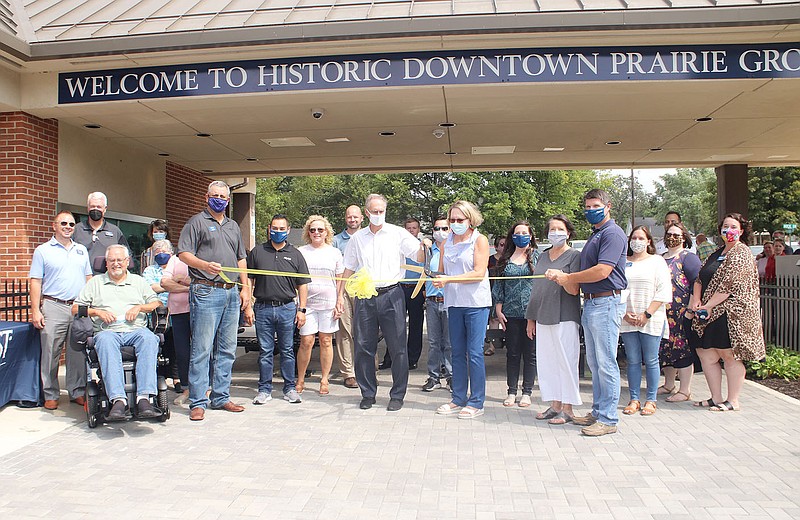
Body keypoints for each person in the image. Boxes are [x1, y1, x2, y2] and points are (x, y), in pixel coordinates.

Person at [546, 188, 628, 437]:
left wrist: (568, 276)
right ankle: (598, 411)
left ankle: (608, 418)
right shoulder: (597, 234)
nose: (591, 210)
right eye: (588, 207)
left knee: (605, 363)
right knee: (595, 362)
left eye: (595, 206)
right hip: (592, 302)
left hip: (606, 302)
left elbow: (603, 270)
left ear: (608, 206)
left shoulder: (612, 233)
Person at [336, 194, 427, 412]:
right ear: (366, 213)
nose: (378, 215)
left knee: (398, 348)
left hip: (392, 294)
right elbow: (348, 267)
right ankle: (368, 393)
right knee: (363, 347)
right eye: (374, 212)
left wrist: (425, 245)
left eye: (381, 211)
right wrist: (339, 295)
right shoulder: (357, 238)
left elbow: (419, 256)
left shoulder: (397, 233)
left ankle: (397, 394)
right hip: (365, 295)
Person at [177, 180, 251, 422]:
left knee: (227, 348)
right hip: (206, 291)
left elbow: (241, 259)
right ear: (206, 197)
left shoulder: (232, 226)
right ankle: (198, 401)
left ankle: (221, 396)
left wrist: (245, 288)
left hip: (231, 292)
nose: (219, 199)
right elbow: (184, 254)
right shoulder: (196, 222)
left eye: (223, 196)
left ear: (228, 200)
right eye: (215, 195)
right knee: (202, 348)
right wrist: (204, 265)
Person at [72, 245, 162, 420]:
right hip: (108, 330)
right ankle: (118, 400)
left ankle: (144, 398)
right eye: (112, 260)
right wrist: (97, 312)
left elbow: (156, 303)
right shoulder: (95, 283)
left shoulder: (138, 281)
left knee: (150, 339)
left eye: (120, 260)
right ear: (106, 263)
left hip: (136, 330)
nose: (116, 264)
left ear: (127, 262)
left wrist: (140, 307)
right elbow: (75, 308)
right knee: (104, 341)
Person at [690, 213, 766, 412]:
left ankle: (733, 400)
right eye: (725, 226)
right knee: (707, 354)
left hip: (732, 314)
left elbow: (728, 285)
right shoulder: (716, 253)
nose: (728, 230)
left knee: (730, 355)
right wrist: (698, 300)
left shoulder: (742, 253)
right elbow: (699, 279)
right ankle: (716, 397)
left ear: (741, 231)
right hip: (708, 312)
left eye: (733, 226)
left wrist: (708, 306)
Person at [433, 201, 491, 419]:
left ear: (470, 220)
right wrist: (437, 277)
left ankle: (477, 401)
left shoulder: (480, 240)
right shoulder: (445, 243)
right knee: (456, 351)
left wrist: (448, 279)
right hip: (454, 302)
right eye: (452, 220)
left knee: (474, 352)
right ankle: (458, 398)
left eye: (460, 220)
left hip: (476, 303)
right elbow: (440, 271)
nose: (455, 224)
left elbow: (478, 273)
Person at [29, 211, 92, 410]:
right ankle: (50, 393)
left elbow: (88, 277)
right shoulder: (43, 250)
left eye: (72, 224)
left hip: (76, 306)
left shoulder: (81, 250)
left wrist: (89, 304)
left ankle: (77, 391)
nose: (68, 227)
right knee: (50, 351)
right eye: (63, 223)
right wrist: (35, 310)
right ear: (54, 226)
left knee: (77, 352)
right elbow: (36, 281)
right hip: (53, 305)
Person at [245, 214, 310, 405]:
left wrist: (302, 310)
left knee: (287, 350)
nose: (278, 232)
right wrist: (248, 305)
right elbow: (249, 279)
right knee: (265, 351)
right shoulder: (257, 252)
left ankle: (289, 388)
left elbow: (303, 284)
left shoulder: (296, 254)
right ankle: (264, 390)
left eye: (282, 229)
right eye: (275, 228)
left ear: (288, 230)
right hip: (263, 308)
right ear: (269, 228)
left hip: (287, 308)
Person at [526, 215, 582, 425]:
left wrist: (562, 277)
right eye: (552, 229)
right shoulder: (542, 256)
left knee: (566, 362)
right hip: (542, 316)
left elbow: (574, 289)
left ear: (568, 232)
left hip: (564, 316)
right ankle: (555, 404)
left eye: (560, 229)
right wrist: (531, 318)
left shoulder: (574, 256)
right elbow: (536, 289)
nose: (556, 233)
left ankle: (568, 409)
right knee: (548, 362)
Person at [619, 226, 672, 417]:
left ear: (649, 241)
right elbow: (618, 289)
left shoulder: (657, 262)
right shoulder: (624, 262)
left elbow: (664, 291)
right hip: (628, 318)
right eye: (634, 237)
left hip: (651, 318)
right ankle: (634, 399)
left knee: (650, 360)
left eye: (641, 238)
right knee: (632, 360)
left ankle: (651, 399)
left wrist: (646, 315)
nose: (637, 241)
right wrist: (624, 313)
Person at [493, 221, 539, 409]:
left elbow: (540, 287)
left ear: (530, 236)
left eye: (524, 233)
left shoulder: (537, 257)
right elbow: (499, 285)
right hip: (510, 314)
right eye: (517, 233)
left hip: (531, 313)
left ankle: (527, 391)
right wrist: (498, 308)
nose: (521, 236)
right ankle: (511, 391)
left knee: (530, 354)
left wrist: (534, 315)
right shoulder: (505, 259)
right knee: (512, 354)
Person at [297, 215, 342, 396]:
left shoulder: (334, 252)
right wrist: (299, 305)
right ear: (308, 232)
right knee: (306, 341)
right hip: (307, 304)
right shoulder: (301, 252)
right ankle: (300, 379)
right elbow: (297, 280)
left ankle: (324, 379)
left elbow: (340, 280)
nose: (316, 233)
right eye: (313, 230)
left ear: (327, 232)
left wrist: (339, 301)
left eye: (320, 230)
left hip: (329, 304)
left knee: (325, 341)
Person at [659, 222, 702, 403]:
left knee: (682, 349)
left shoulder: (688, 258)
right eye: (669, 234)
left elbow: (697, 284)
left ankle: (685, 390)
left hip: (681, 313)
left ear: (684, 238)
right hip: (662, 313)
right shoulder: (660, 258)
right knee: (666, 349)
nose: (672, 237)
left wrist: (691, 309)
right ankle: (669, 384)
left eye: (676, 234)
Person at [380, 217, 425, 371]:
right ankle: (389, 358)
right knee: (394, 325)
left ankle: (412, 359)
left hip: (417, 289)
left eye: (414, 228)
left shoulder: (423, 247)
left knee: (415, 325)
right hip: (398, 287)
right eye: (408, 228)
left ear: (418, 229)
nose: (411, 230)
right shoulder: (397, 245)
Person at [141, 239, 179, 392]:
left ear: (171, 253)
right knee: (156, 346)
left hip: (176, 311)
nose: (161, 255)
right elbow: (149, 288)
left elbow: (183, 285)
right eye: (158, 253)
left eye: (164, 252)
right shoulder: (149, 270)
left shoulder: (178, 267)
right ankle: (156, 377)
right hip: (155, 315)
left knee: (176, 346)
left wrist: (162, 286)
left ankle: (177, 378)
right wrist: (170, 285)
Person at [332, 205, 363, 388]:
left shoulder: (367, 238)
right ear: (345, 218)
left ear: (361, 218)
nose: (352, 220)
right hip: (343, 289)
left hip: (365, 289)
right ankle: (348, 373)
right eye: (349, 217)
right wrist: (337, 295)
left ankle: (367, 367)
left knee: (366, 330)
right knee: (344, 331)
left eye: (355, 217)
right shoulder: (336, 241)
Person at [421, 216, 452, 393]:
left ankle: (451, 376)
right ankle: (433, 377)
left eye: (444, 228)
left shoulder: (454, 250)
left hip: (449, 301)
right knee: (433, 343)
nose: (440, 232)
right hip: (432, 302)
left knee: (449, 343)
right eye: (436, 228)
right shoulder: (428, 250)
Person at [160, 251, 192, 405]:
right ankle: (186, 388)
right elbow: (164, 283)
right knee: (182, 352)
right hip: (178, 311)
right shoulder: (175, 259)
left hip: (200, 310)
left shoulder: (204, 257)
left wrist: (179, 282)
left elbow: (205, 284)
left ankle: (206, 388)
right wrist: (189, 287)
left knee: (203, 350)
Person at [73, 192, 129, 274]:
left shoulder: (115, 231)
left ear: (105, 209)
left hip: (108, 280)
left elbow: (127, 255)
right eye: (92, 206)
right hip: (81, 279)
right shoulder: (76, 230)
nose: (95, 209)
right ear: (88, 208)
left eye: (99, 207)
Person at [485, 234, 506, 356]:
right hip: (492, 292)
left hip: (507, 294)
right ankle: (492, 346)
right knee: (493, 320)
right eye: (502, 245)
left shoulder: (510, 260)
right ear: (496, 246)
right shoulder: (489, 261)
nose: (504, 247)